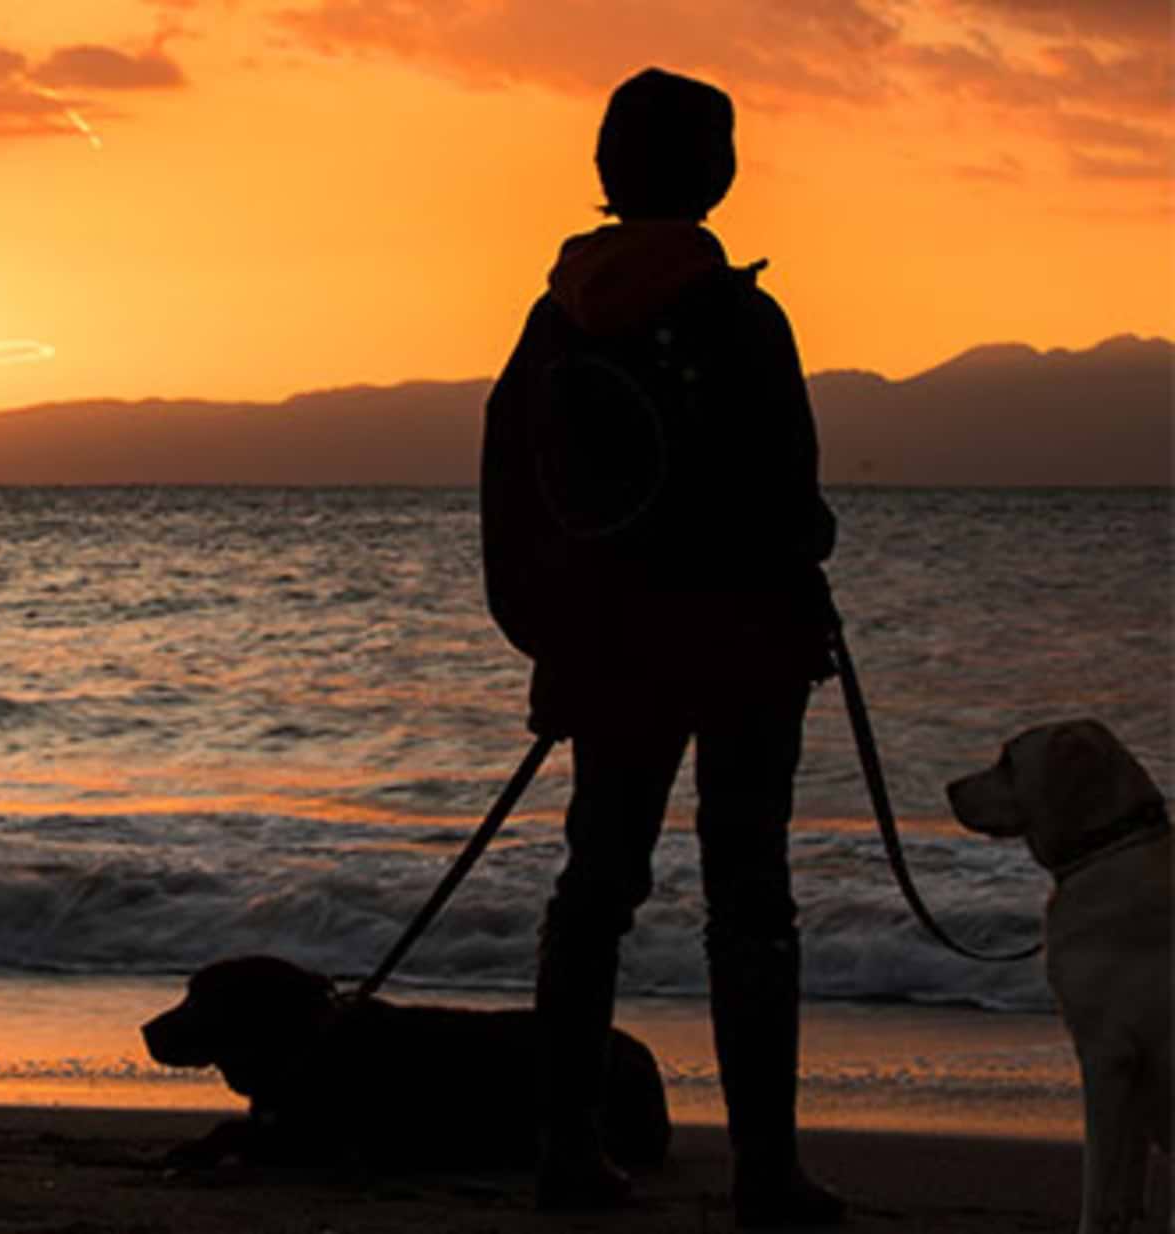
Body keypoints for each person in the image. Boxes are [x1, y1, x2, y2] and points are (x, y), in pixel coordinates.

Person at [480, 68, 847, 1227]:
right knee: (749, 896)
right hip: (742, 646)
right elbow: (791, 500)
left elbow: (509, 497)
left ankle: (563, 1152)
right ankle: (763, 1171)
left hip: (612, 655)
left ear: (604, 172)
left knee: (594, 887)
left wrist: (549, 640)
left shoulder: (551, 320)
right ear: (713, 171)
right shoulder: (740, 316)